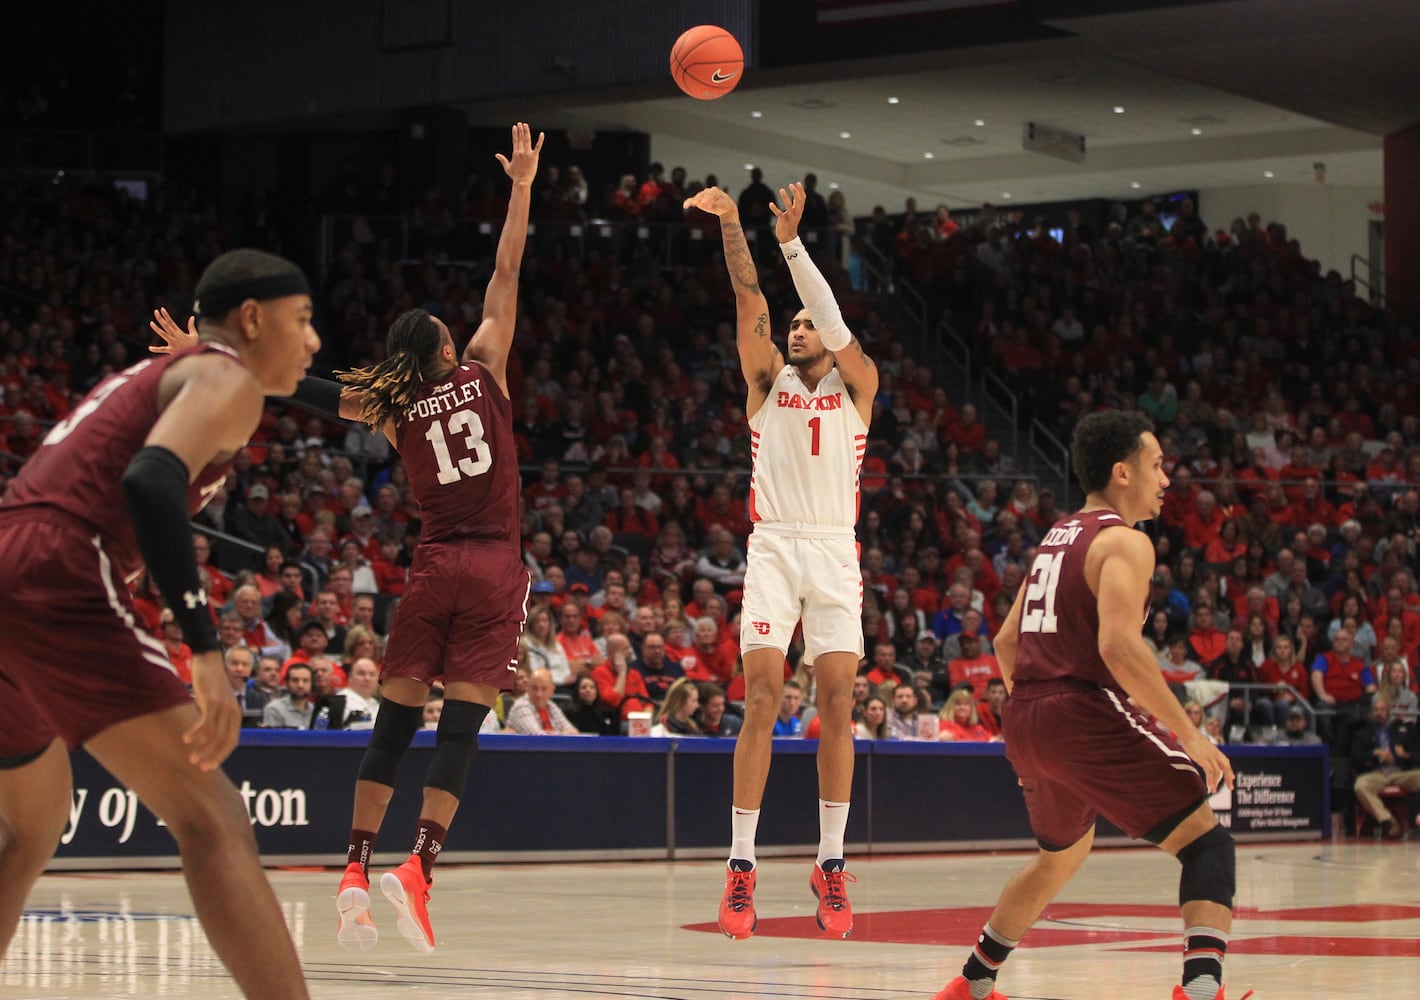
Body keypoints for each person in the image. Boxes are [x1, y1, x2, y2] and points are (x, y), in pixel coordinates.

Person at [0, 248, 317, 998]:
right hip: (54, 567)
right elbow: (149, 477)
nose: (312, 341)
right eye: (302, 320)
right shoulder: (225, 377)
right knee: (213, 817)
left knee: (30, 829)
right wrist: (204, 647)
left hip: (10, 558)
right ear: (252, 318)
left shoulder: (185, 375)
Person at [932, 410, 1238, 1000]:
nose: (1166, 479)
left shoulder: (1056, 537)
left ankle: (972, 983)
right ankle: (1203, 990)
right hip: (1079, 709)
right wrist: (1192, 737)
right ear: (1122, 472)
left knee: (1059, 857)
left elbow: (1005, 642)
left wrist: (1037, 714)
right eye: (1157, 465)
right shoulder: (1124, 541)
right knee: (1206, 842)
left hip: (1024, 717)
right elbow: (1119, 648)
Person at [684, 180, 878, 942]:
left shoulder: (859, 386)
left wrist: (797, 246)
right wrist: (735, 223)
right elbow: (746, 292)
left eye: (807, 323)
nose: (795, 329)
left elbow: (829, 317)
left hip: (835, 550)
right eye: (790, 324)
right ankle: (740, 865)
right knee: (761, 698)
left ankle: (829, 863)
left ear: (828, 335)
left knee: (837, 705)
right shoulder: (765, 381)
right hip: (773, 546)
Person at [1350, 697, 1420, 839]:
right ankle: (1388, 821)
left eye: (1382, 710)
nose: (1379, 713)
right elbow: (1355, 758)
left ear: (1388, 713)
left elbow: (1417, 754)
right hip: (1377, 773)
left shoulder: (1400, 731)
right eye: (1376, 710)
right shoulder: (1362, 733)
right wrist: (1374, 753)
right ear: (1371, 713)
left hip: (1399, 772)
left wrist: (1406, 755)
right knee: (1360, 786)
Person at [505, 668, 579, 735]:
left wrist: (553, 733)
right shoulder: (521, 707)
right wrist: (561, 733)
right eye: (534, 688)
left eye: (544, 689)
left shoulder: (550, 705)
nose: (539, 694)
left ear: (552, 690)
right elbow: (538, 738)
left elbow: (572, 732)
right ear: (528, 688)